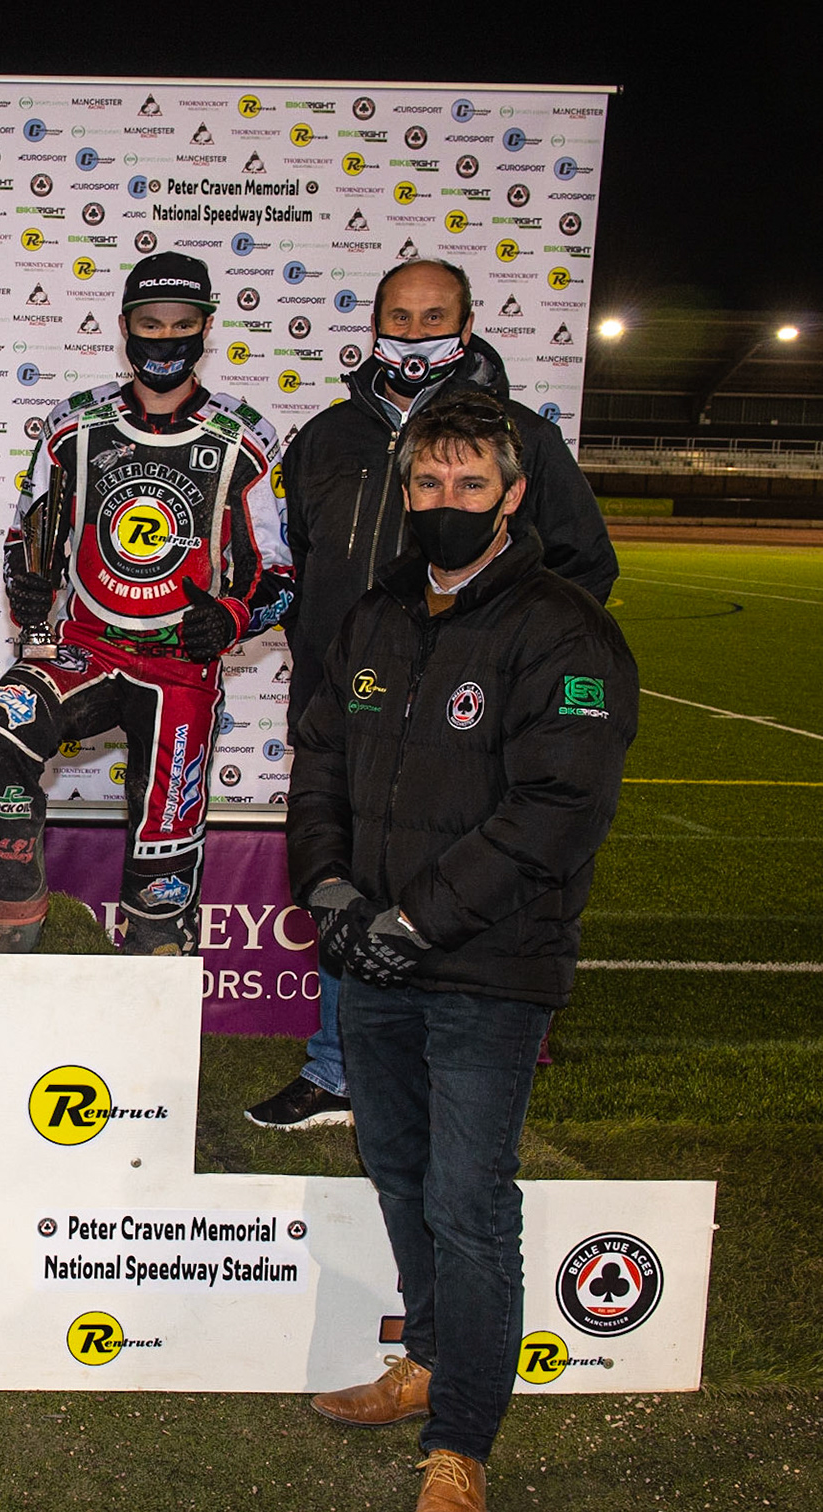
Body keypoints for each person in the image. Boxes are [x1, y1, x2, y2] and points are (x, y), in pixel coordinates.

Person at [287, 394, 635, 1512]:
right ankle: (428, 1359)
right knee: (395, 1168)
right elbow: (324, 757)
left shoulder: (564, 627)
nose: (445, 505)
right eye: (426, 486)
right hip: (377, 958)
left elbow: (559, 810)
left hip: (490, 965)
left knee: (471, 1204)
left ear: (514, 493)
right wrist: (330, 884)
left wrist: (419, 918)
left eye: (468, 485)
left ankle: (461, 1450)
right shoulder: (380, 613)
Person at [247, 256, 618, 1130]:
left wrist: (504, 653)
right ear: (375, 324)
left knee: (458, 882)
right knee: (349, 881)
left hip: (469, 718)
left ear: (468, 319)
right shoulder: (328, 437)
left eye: (434, 315)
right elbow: (282, 564)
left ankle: (470, 1064)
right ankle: (338, 1072)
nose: (415, 333)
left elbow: (583, 566)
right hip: (360, 703)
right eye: (400, 317)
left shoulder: (522, 434)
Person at [0, 254, 295, 954]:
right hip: (85, 646)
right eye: (151, 324)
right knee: (0, 728)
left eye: (182, 325)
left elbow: (280, 575)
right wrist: (27, 583)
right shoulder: (72, 426)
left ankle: (155, 958)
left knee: (164, 843)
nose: (166, 339)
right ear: (124, 328)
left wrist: (232, 618)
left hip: (181, 666)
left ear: (207, 328)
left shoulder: (245, 439)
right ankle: (10, 920)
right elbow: (29, 538)